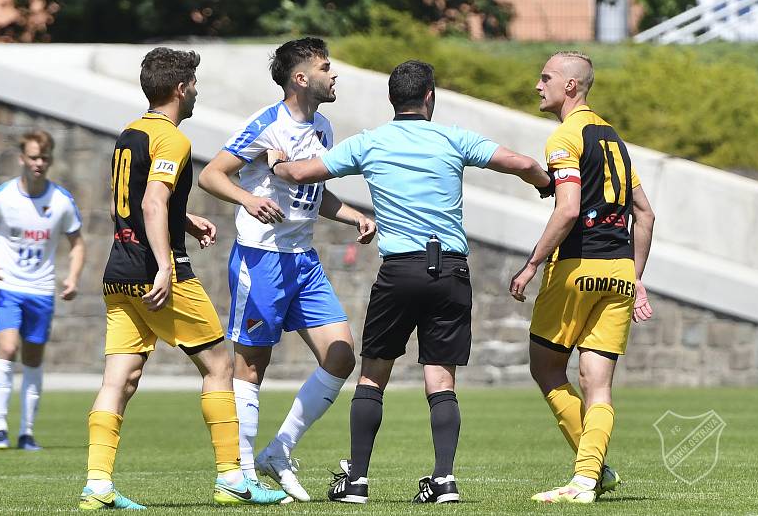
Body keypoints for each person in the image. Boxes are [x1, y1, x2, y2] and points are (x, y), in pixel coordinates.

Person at [267, 59, 552, 504]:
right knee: (442, 381)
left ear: (392, 100)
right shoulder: (452, 137)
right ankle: (443, 481)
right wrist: (544, 183)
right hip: (451, 272)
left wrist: (279, 163)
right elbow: (522, 162)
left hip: (399, 272)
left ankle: (357, 481)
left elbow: (303, 174)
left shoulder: (371, 142)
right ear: (430, 97)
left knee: (373, 377)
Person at [77, 47, 289, 510]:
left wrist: (184, 217)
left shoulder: (130, 133)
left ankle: (97, 484)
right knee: (220, 366)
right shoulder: (173, 140)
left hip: (118, 273)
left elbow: (128, 203)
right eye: (193, 84)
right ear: (179, 89)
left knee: (121, 378)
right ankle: (232, 477)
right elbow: (151, 203)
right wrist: (166, 265)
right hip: (154, 271)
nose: (195, 92)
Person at [198, 37, 376, 503]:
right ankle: (241, 474)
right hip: (261, 260)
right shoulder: (266, 124)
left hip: (304, 260)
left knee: (341, 355)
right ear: (301, 78)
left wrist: (352, 214)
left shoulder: (324, 126)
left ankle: (279, 451)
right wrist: (248, 199)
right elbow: (212, 174)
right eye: (326, 67)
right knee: (251, 366)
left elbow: (312, 194)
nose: (334, 74)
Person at [508, 51, 655, 504]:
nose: (538, 85)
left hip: (575, 268)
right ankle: (590, 479)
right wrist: (635, 276)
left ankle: (591, 472)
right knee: (598, 381)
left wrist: (533, 262)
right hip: (618, 274)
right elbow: (645, 215)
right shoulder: (615, 140)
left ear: (570, 86)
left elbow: (568, 207)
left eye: (546, 77)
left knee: (546, 367)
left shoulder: (564, 138)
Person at [0, 130, 85, 451]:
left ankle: (26, 431)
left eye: (44, 158)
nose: (39, 163)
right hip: (7, 286)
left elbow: (77, 243)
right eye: (33, 157)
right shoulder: (3, 197)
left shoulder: (61, 202)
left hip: (41, 290)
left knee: (33, 360)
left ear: (50, 160)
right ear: (22, 158)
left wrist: (73, 277)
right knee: (8, 348)